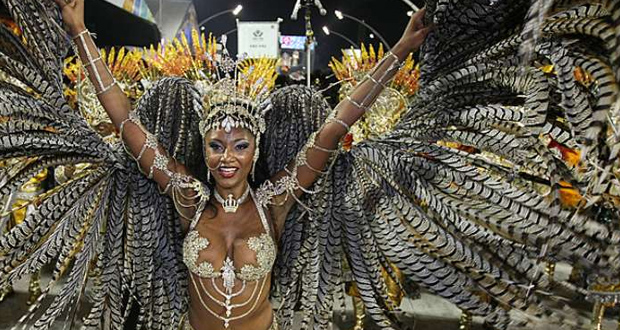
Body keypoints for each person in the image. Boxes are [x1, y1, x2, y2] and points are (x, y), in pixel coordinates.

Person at [53, 1, 431, 329]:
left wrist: (401, 48)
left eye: (240, 145)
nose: (227, 158)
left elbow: (335, 127)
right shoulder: (190, 200)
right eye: (216, 145)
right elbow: (126, 123)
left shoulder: (274, 204)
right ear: (204, 150)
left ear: (256, 149)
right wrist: (79, 30)